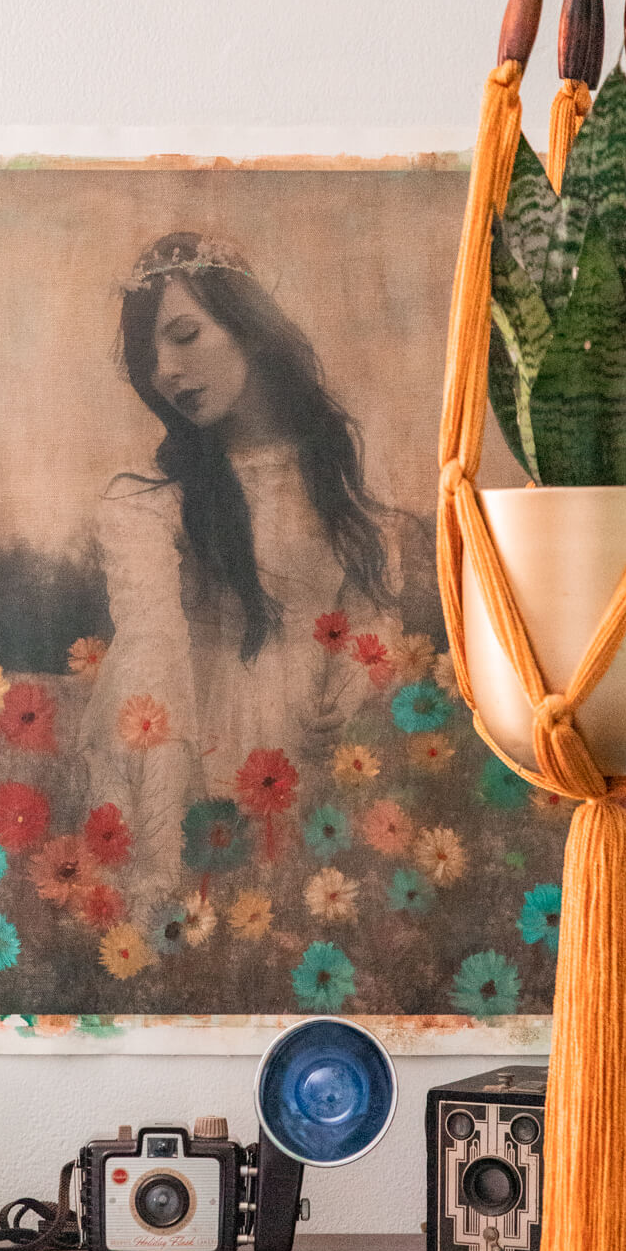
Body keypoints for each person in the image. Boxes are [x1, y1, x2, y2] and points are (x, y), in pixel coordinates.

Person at [79, 232, 398, 915]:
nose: (165, 369)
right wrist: (164, 858)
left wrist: (356, 686)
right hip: (201, 774)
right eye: (150, 354)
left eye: (186, 335)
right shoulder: (149, 502)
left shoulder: (330, 475)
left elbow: (371, 614)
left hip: (321, 769)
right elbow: (152, 662)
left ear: (249, 330)